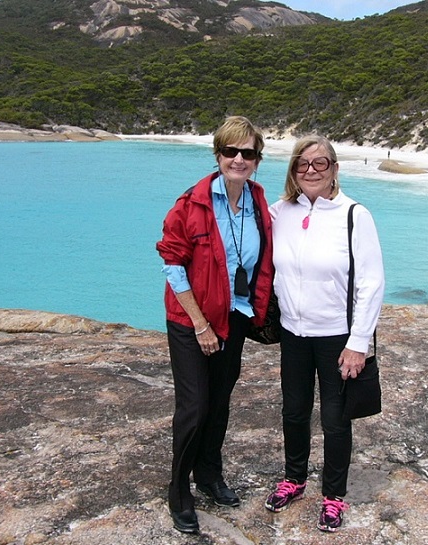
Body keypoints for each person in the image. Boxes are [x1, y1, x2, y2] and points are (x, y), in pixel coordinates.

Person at [156, 116, 274, 534]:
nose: (238, 159)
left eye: (248, 153)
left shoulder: (259, 200)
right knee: (195, 406)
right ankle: (179, 490)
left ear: (257, 159)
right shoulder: (191, 203)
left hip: (235, 316)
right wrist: (201, 325)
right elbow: (172, 263)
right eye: (230, 151)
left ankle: (208, 475)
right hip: (192, 321)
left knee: (220, 401)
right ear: (217, 154)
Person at [265, 135, 384, 532]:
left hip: (337, 336)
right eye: (303, 164)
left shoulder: (354, 215)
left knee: (335, 420)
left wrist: (359, 343)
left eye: (321, 163)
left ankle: (334, 496)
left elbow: (371, 282)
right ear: (293, 172)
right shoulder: (279, 212)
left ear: (334, 169)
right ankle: (294, 479)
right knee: (294, 412)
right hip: (293, 333)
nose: (311, 170)